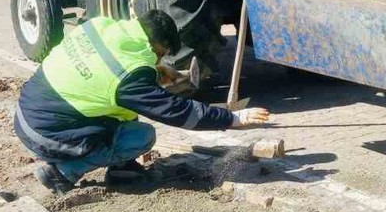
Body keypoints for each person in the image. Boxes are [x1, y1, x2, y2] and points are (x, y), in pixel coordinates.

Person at [15, 10, 270, 192]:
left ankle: (122, 169)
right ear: (157, 45)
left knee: (124, 112)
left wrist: (153, 76)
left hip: (28, 112)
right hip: (46, 134)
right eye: (160, 54)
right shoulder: (129, 75)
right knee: (142, 136)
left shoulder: (101, 25)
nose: (159, 59)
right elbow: (176, 111)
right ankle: (62, 173)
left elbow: (102, 73)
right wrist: (233, 118)